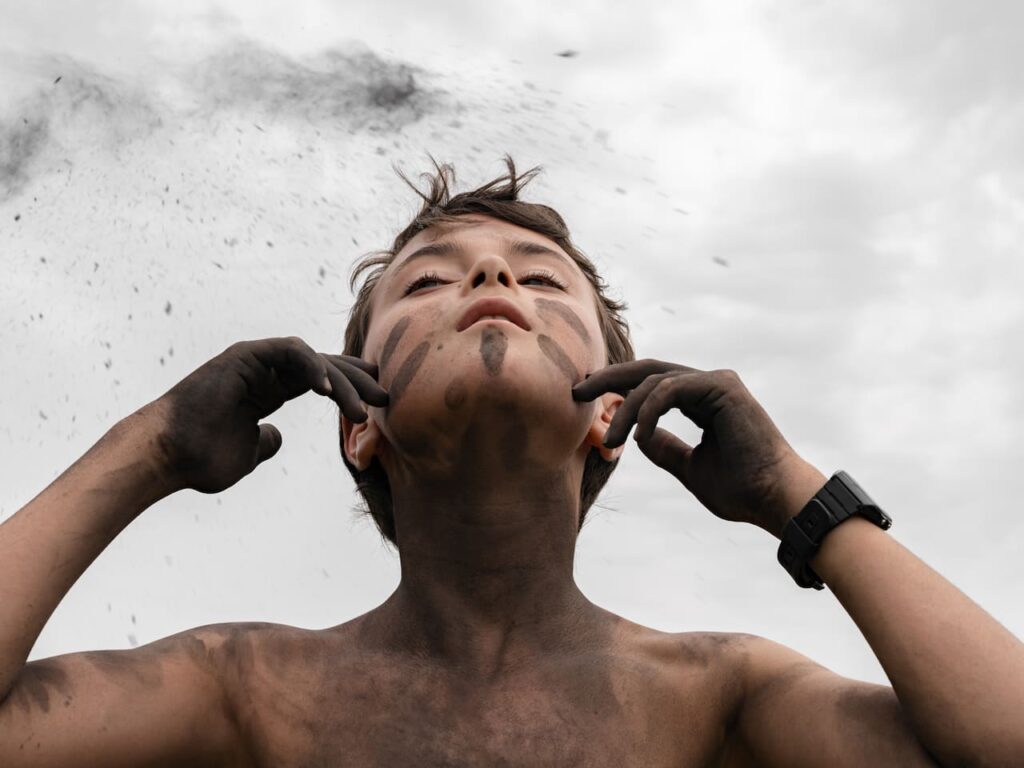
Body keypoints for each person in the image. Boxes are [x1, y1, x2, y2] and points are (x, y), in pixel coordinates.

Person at [0, 157, 1021, 768]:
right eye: (425, 284)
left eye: (540, 279)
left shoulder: (719, 693)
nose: (490, 274)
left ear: (607, 413)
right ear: (359, 423)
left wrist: (795, 494)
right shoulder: (242, 685)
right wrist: (149, 449)